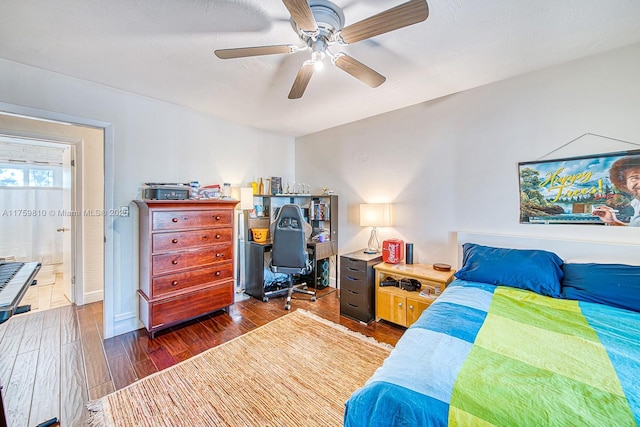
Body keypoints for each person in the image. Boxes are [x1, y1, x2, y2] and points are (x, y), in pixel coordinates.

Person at [592, 154, 640, 226]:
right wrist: (612, 221)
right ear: (624, 183)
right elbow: (634, 230)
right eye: (634, 178)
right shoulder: (636, 203)